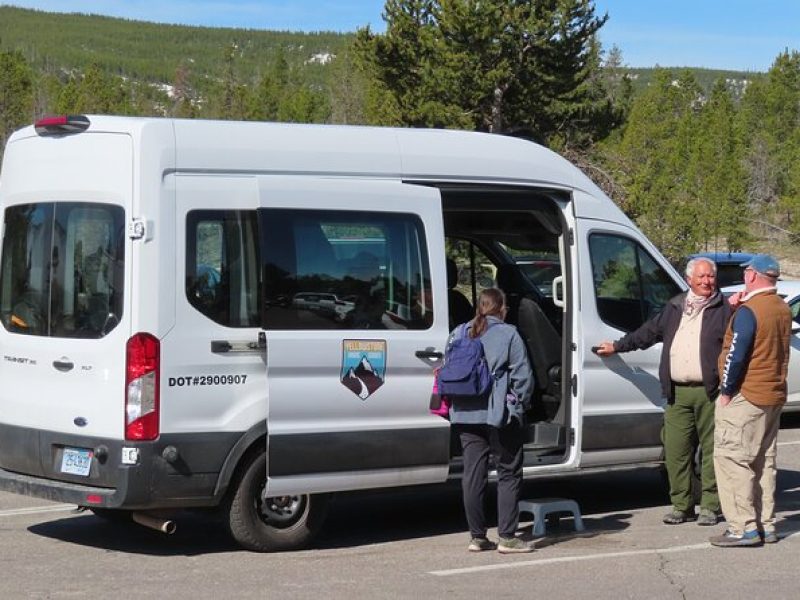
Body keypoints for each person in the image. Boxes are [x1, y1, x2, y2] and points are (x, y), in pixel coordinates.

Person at [595, 257, 731, 526]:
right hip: (677, 393)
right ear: (689, 279)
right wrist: (618, 346)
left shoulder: (725, 309)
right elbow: (648, 333)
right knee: (675, 450)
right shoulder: (675, 306)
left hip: (710, 392)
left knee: (712, 452)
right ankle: (682, 505)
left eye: (711, 277)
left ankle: (711, 506)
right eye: (701, 277)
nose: (707, 281)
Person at [710, 254, 791, 547]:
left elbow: (736, 353)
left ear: (753, 275)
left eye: (746, 273)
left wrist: (727, 391)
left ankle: (742, 527)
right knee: (764, 463)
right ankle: (765, 524)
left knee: (732, 460)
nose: (744, 277)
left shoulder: (750, 310)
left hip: (747, 395)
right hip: (773, 395)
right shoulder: (781, 307)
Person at [448, 287, 534, 553]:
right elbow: (523, 377)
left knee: (473, 475)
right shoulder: (509, 333)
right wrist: (520, 405)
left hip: (463, 412)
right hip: (499, 414)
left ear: (479, 307)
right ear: (503, 308)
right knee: (508, 471)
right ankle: (507, 537)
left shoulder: (459, 331)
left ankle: (477, 537)